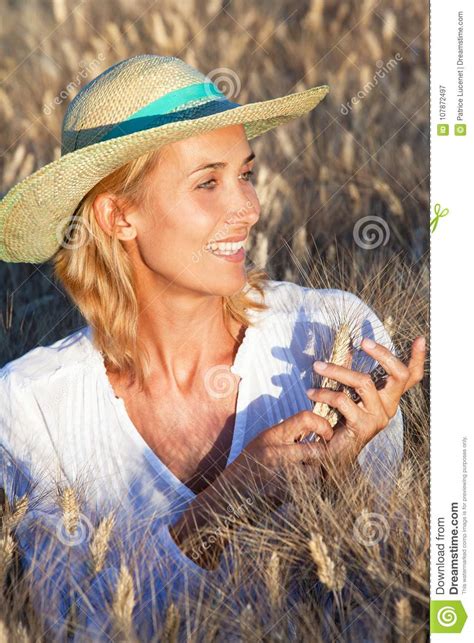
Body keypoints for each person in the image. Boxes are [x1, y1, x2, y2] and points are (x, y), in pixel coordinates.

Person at [0, 54, 426, 640]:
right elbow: (79, 625)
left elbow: (379, 603)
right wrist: (226, 503)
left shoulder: (330, 335)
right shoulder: (32, 406)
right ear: (119, 215)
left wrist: (342, 482)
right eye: (208, 182)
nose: (249, 209)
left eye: (246, 173)